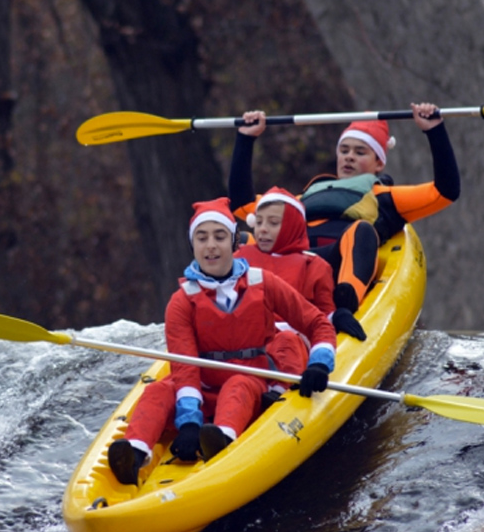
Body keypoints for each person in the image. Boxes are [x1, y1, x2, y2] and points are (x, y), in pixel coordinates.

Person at [107, 197, 337, 485]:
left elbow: (318, 324)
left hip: (250, 380)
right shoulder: (180, 302)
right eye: (202, 238)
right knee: (157, 393)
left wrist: (319, 363)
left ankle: (222, 440)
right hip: (201, 387)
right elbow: (185, 369)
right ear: (193, 247)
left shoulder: (262, 282)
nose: (211, 246)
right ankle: (135, 452)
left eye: (219, 237)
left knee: (237, 386)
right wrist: (189, 423)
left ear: (234, 243)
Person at [229, 103, 460, 313]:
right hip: (292, 261)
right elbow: (243, 204)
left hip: (338, 262)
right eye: (344, 150)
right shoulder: (300, 198)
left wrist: (434, 131)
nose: (349, 157)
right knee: (242, 240)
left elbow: (445, 191)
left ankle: (345, 306)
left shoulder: (386, 196)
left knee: (361, 231)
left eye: (360, 153)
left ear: (379, 163)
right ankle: (227, 304)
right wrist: (245, 139)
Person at [235, 186, 366, 342]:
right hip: (241, 336)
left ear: (292, 226)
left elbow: (324, 313)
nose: (262, 229)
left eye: (273, 223)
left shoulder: (315, 266)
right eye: (258, 222)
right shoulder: (240, 257)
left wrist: (337, 316)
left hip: (290, 342)